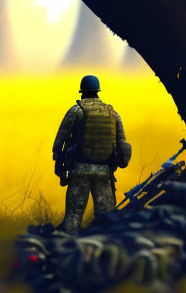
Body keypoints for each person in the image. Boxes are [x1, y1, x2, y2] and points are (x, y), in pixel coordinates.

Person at [52, 74, 132, 233]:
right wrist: (119, 162)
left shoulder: (76, 111)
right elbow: (122, 143)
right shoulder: (112, 113)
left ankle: (67, 249)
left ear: (82, 92)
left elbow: (59, 141)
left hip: (79, 171)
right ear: (97, 91)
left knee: (73, 216)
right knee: (106, 218)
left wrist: (60, 163)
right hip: (104, 172)